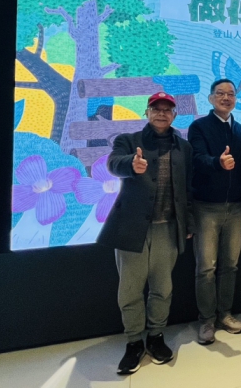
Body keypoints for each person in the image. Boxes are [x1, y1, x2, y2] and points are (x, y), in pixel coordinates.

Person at [98, 92, 194, 375]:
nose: (161, 113)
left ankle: (155, 336)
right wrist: (131, 164)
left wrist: (188, 223)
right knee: (130, 290)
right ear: (147, 112)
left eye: (167, 109)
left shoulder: (184, 147)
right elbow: (113, 163)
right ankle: (133, 342)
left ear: (174, 115)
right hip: (132, 228)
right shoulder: (128, 141)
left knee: (162, 288)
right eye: (156, 108)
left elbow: (188, 188)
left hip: (168, 228)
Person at [187, 79, 241, 345]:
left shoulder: (240, 129)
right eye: (221, 93)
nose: (226, 98)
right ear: (211, 98)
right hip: (206, 207)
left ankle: (225, 314)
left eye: (231, 94)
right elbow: (197, 159)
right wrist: (218, 162)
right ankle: (206, 320)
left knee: (230, 265)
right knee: (206, 268)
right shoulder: (199, 126)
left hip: (235, 207)